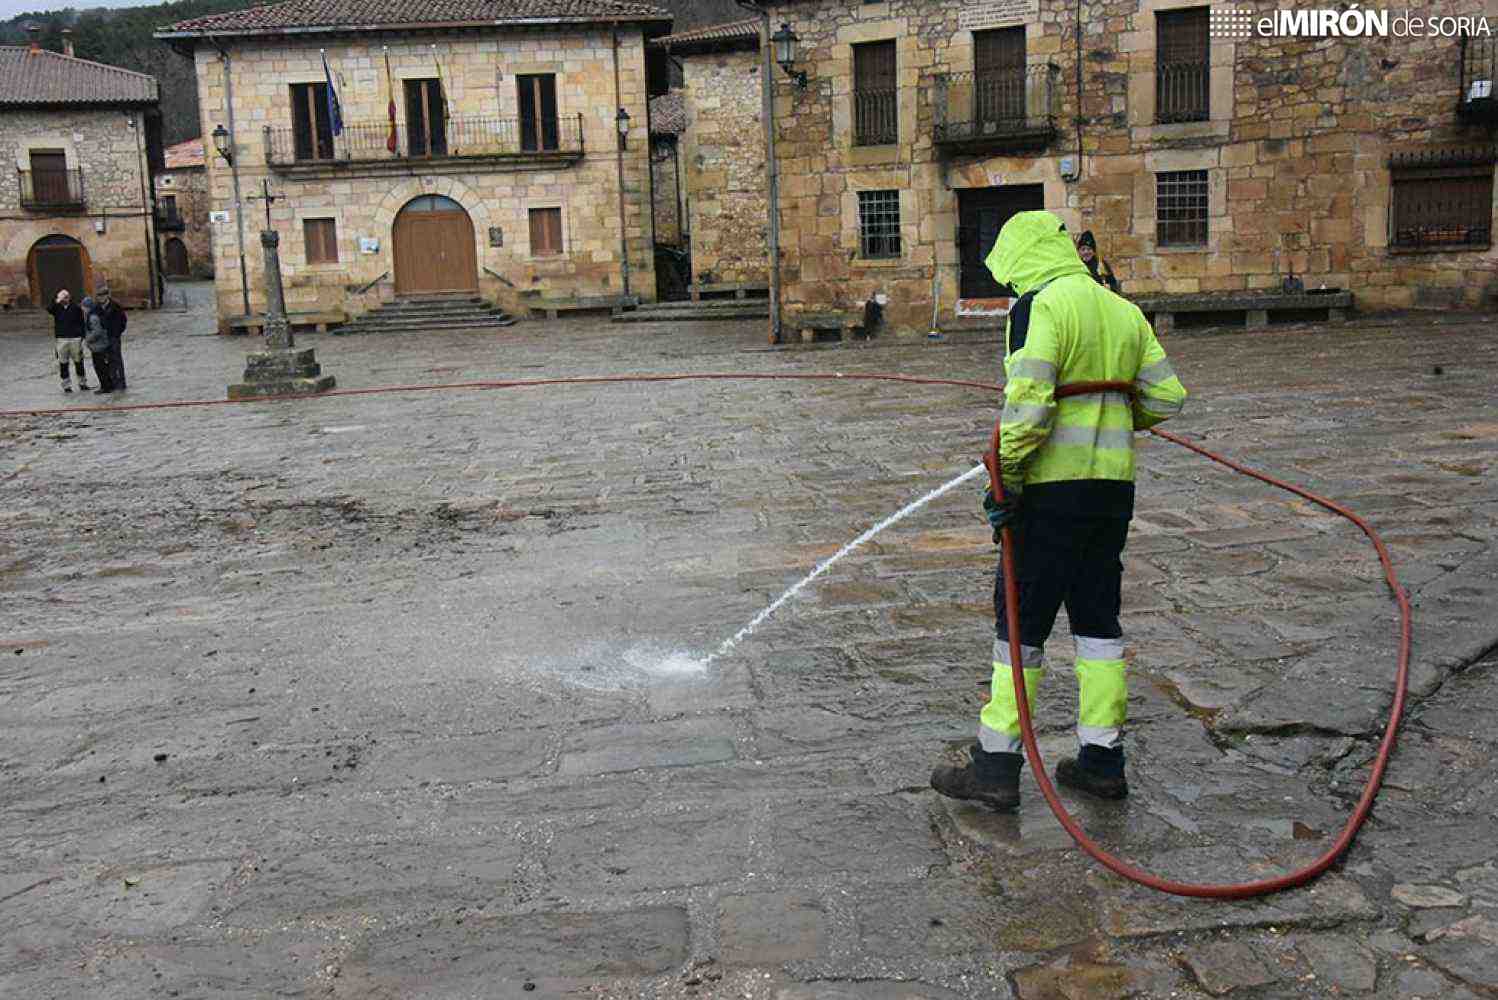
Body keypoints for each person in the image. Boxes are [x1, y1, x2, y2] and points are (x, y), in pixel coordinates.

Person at [930, 211, 1187, 811]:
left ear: (1022, 261)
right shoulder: (1121, 310)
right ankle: (1102, 761)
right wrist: (1116, 418)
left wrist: (1007, 483)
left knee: (1019, 630)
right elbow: (1168, 396)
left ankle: (995, 767)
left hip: (1048, 495)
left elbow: (1028, 405)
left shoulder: (1038, 308)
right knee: (1099, 628)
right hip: (1111, 496)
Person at [46, 289, 91, 393]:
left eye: (66, 297)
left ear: (69, 297)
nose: (65, 299)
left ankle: (82, 383)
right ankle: (66, 385)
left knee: (79, 361)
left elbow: (81, 323)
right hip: (61, 339)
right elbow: (49, 309)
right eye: (63, 297)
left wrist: (81, 336)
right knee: (63, 363)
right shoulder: (56, 308)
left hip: (75, 338)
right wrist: (57, 300)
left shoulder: (76, 308)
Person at [94, 285, 128, 391]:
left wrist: (117, 332)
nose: (101, 298)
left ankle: (121, 382)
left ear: (107, 295)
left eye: (103, 295)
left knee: (116, 359)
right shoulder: (96, 308)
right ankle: (111, 382)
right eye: (99, 296)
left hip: (113, 337)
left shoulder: (115, 306)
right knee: (105, 361)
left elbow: (123, 320)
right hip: (102, 338)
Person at [81, 296, 114, 394]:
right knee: (102, 367)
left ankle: (106, 387)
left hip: (98, 347)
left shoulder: (93, 317)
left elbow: (97, 331)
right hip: (97, 346)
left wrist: (88, 339)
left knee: (100, 367)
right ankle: (107, 385)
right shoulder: (93, 315)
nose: (83, 309)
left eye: (84, 307)